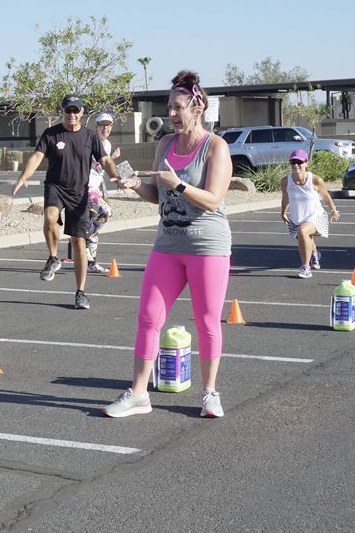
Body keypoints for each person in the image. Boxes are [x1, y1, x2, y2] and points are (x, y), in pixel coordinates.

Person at [104, 70, 233, 418]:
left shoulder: (215, 147)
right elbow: (157, 195)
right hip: (168, 245)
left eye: (178, 107)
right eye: (169, 108)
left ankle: (209, 393)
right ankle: (138, 394)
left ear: (198, 106)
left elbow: (212, 199)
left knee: (207, 321)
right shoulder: (164, 145)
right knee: (148, 317)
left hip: (208, 246)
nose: (172, 114)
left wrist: (176, 184)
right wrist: (135, 186)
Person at [12, 94, 121, 310]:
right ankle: (53, 257)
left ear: (82, 113)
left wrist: (115, 175)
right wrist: (24, 176)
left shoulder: (90, 137)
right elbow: (36, 157)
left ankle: (80, 293)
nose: (72, 114)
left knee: (79, 242)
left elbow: (106, 159)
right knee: (50, 216)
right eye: (68, 110)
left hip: (80, 193)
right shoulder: (51, 134)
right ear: (62, 112)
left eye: (75, 110)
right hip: (56, 187)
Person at [280, 149, 340, 278]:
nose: (296, 165)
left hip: (316, 216)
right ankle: (314, 254)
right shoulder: (285, 181)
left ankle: (306, 268)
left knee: (303, 231)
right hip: (297, 217)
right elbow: (285, 197)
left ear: (306, 163)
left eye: (299, 162)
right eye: (292, 162)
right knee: (304, 238)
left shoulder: (315, 180)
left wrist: (333, 210)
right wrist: (283, 212)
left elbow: (325, 195)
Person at [86, 112, 121, 273]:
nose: (105, 128)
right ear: (96, 127)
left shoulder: (107, 144)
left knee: (95, 223)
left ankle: (91, 263)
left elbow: (101, 171)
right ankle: (82, 239)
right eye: (102, 125)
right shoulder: (90, 143)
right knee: (106, 212)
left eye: (108, 125)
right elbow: (100, 166)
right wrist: (112, 158)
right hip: (85, 188)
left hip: (95, 189)